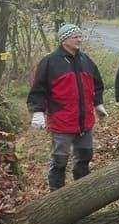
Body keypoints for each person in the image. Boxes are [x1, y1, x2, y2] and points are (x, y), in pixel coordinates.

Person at [28, 23, 107, 190]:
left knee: (85, 156)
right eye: (75, 37)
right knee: (60, 160)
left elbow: (97, 84)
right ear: (64, 40)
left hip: (85, 121)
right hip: (61, 121)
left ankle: (81, 192)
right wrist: (38, 111)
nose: (79, 39)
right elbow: (38, 90)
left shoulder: (86, 60)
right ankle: (57, 195)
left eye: (80, 36)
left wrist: (98, 104)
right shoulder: (50, 62)